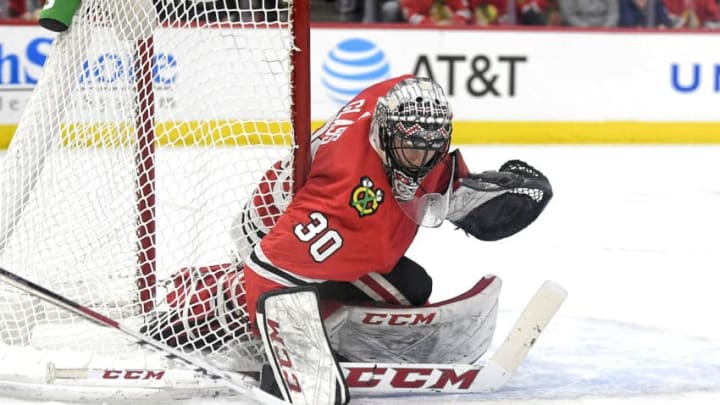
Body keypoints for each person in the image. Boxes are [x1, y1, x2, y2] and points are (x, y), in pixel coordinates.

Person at [147, 75, 553, 350]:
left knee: (410, 283)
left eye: (433, 149)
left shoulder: (396, 102)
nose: (421, 161)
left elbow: (417, 139)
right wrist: (287, 349)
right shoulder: (349, 197)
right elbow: (270, 272)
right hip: (280, 230)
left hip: (299, 205)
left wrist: (462, 184)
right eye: (411, 150)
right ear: (385, 133)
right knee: (400, 291)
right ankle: (192, 311)